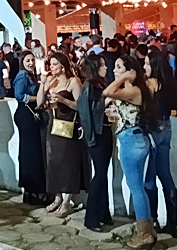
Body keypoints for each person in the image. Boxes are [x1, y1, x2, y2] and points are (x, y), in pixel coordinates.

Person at [103, 55, 159, 249]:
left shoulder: (134, 90)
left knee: (136, 188)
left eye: (119, 67)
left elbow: (107, 92)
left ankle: (144, 234)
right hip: (133, 139)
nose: (114, 70)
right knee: (138, 187)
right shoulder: (132, 90)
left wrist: (124, 77)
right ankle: (147, 229)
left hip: (132, 141)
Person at [37, 52, 82, 218]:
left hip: (67, 125)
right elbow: (40, 103)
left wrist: (63, 101)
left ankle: (67, 201)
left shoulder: (73, 81)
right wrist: (43, 84)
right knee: (53, 162)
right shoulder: (51, 80)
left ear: (63, 66)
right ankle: (57, 197)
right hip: (52, 124)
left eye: (55, 64)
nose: (51, 67)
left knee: (67, 162)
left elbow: (81, 105)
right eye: (50, 64)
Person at [143, 48, 177, 238]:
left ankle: (153, 220)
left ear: (154, 65)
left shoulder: (150, 83)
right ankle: (173, 224)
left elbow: (144, 107)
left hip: (153, 129)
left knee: (149, 178)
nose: (144, 67)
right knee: (165, 175)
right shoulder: (169, 82)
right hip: (166, 127)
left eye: (147, 63)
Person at [78, 54, 113, 231]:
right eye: (102, 65)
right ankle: (91, 217)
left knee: (103, 173)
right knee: (99, 174)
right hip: (96, 135)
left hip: (105, 132)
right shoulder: (89, 87)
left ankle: (103, 213)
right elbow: (89, 112)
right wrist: (108, 100)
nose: (106, 68)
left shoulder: (99, 84)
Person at [13, 52, 48, 206]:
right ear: (22, 62)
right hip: (26, 115)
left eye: (33, 60)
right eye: (27, 60)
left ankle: (31, 191)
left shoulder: (30, 75)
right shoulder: (22, 76)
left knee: (31, 152)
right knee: (31, 153)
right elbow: (19, 96)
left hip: (29, 115)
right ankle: (32, 191)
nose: (31, 63)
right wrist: (39, 98)